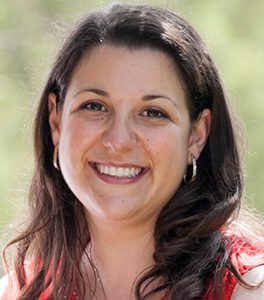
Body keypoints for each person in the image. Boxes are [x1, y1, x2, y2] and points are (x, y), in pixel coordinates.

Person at [0, 3, 263, 300]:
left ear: (196, 135)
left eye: (152, 112)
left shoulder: (250, 288)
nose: (118, 140)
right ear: (56, 121)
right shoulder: (18, 292)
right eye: (95, 106)